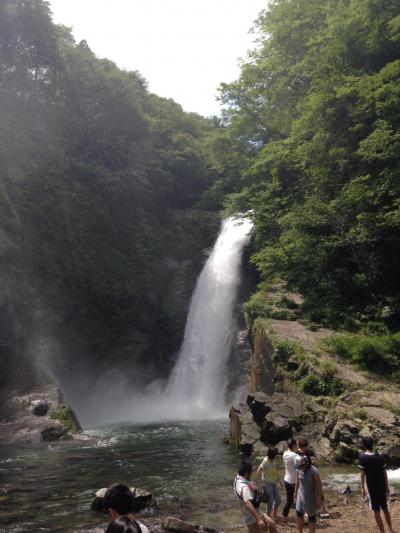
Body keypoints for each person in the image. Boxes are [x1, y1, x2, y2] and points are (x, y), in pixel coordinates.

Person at [359, 436, 395, 533]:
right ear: (372, 444)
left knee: (377, 512)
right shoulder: (379, 456)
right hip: (382, 486)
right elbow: (384, 472)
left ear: (363, 445)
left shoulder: (362, 457)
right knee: (385, 509)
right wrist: (387, 486)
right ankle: (391, 529)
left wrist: (362, 488)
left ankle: (382, 532)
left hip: (372, 488)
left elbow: (362, 475)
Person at [234, 463, 278, 533]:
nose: (251, 475)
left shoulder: (238, 478)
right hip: (252, 518)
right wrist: (259, 519)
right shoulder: (244, 487)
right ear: (246, 473)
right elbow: (247, 503)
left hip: (257, 512)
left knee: (271, 524)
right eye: (250, 473)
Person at [296, 437, 329, 518]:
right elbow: (296, 466)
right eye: (302, 447)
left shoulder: (310, 452)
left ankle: (324, 509)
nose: (303, 449)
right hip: (303, 475)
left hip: (312, 473)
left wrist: (312, 461)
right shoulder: (297, 453)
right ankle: (307, 512)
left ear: (307, 446)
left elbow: (315, 461)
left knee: (318, 490)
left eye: (305, 447)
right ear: (299, 446)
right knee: (305, 494)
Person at [294, 455, 322, 533]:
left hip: (311, 497)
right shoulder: (299, 469)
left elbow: (319, 485)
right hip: (301, 495)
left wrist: (319, 498)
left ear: (306, 465)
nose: (300, 468)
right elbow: (297, 481)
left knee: (311, 517)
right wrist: (295, 493)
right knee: (299, 514)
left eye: (301, 466)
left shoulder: (313, 471)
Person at [257, 447, 281, 521]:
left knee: (278, 500)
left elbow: (275, 471)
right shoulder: (265, 461)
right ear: (272, 454)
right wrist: (260, 483)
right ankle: (268, 516)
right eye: (275, 454)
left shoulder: (273, 460)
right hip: (267, 483)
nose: (276, 456)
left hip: (274, 483)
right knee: (270, 501)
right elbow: (258, 471)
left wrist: (280, 481)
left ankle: (274, 515)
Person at [281, 438, 297, 525]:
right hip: (292, 481)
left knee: (290, 500)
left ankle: (284, 519)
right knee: (291, 501)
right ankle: (284, 520)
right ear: (294, 445)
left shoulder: (285, 454)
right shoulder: (293, 455)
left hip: (287, 479)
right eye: (296, 445)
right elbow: (301, 463)